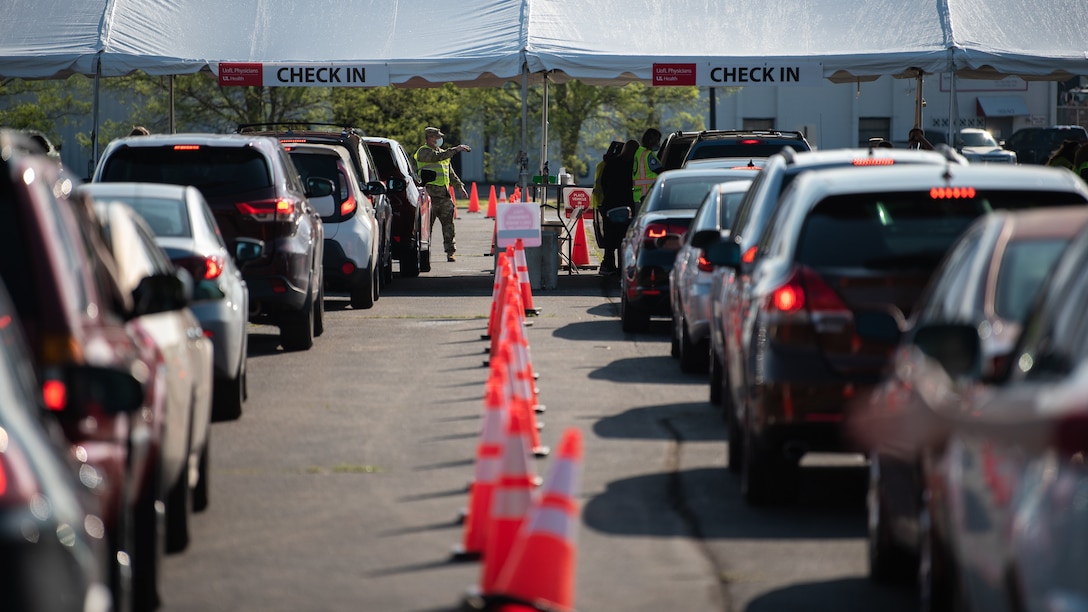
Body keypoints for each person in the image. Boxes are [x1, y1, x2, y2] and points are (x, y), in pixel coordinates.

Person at [414, 126, 470, 262]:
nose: (439, 139)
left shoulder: (444, 153)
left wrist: (460, 187)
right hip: (429, 196)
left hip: (444, 196)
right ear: (429, 138)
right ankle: (424, 255)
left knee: (448, 226)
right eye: (436, 137)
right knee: (427, 229)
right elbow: (437, 157)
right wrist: (456, 149)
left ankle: (450, 252)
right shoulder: (423, 152)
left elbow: (450, 173)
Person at [597, 140, 639, 275]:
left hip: (610, 203)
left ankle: (608, 264)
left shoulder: (611, 163)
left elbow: (603, 183)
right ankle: (623, 267)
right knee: (625, 236)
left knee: (610, 236)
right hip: (627, 204)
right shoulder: (633, 165)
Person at [632, 128, 663, 203]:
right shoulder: (648, 154)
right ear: (651, 140)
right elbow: (660, 171)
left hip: (637, 196)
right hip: (647, 196)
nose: (658, 143)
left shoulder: (638, 152)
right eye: (657, 140)